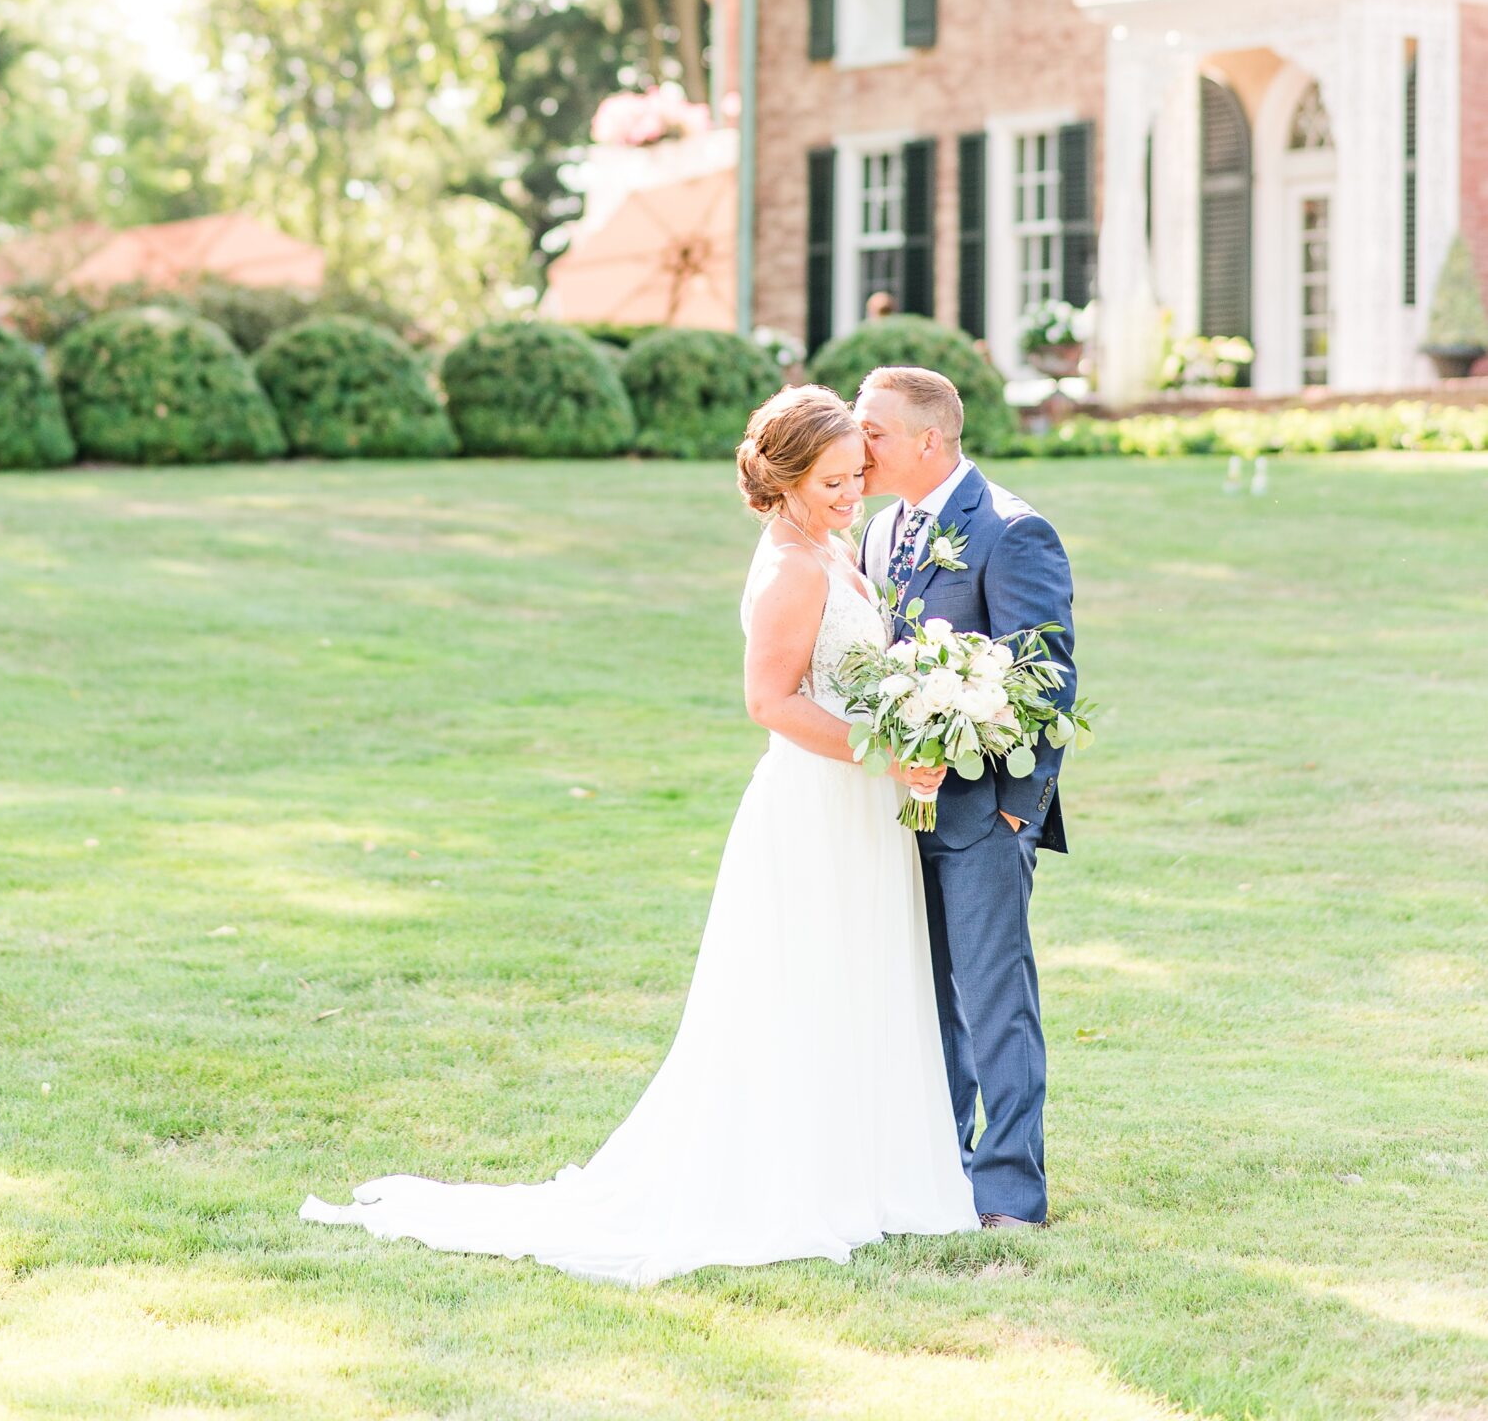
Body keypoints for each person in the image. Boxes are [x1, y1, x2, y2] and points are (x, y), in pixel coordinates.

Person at [300, 384, 978, 1280]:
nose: (851, 495)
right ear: (781, 484)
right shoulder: (788, 568)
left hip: (861, 806)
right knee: (803, 984)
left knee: (862, 977)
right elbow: (766, 702)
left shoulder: (833, 544)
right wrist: (884, 753)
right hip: (815, 805)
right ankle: (797, 1180)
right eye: (830, 483)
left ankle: (873, 1172)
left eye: (856, 476)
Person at [855, 365, 1076, 1231]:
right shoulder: (878, 533)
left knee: (993, 1003)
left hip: (984, 816)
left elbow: (1045, 681)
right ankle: (936, 1167)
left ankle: (1009, 1193)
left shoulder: (1013, 532)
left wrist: (1018, 810)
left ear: (927, 440)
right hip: (892, 816)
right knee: (919, 1000)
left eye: (871, 430)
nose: (855, 442)